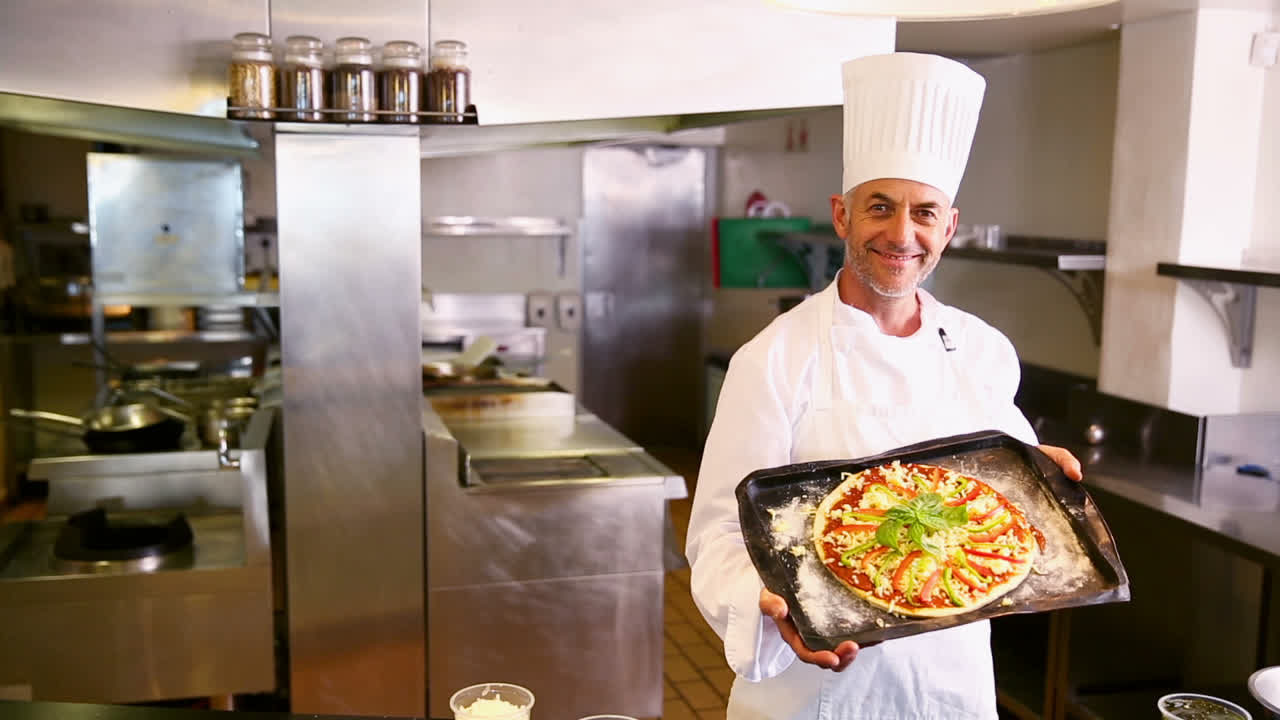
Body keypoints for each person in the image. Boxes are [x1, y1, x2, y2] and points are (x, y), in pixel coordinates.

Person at [685, 52, 1084, 719]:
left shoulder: (982, 351)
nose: (902, 234)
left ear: (948, 228)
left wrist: (1045, 478)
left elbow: (1012, 490)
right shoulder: (774, 359)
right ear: (842, 216)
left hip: (950, 686)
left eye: (925, 213)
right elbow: (721, 532)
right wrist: (764, 605)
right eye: (881, 208)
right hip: (813, 689)